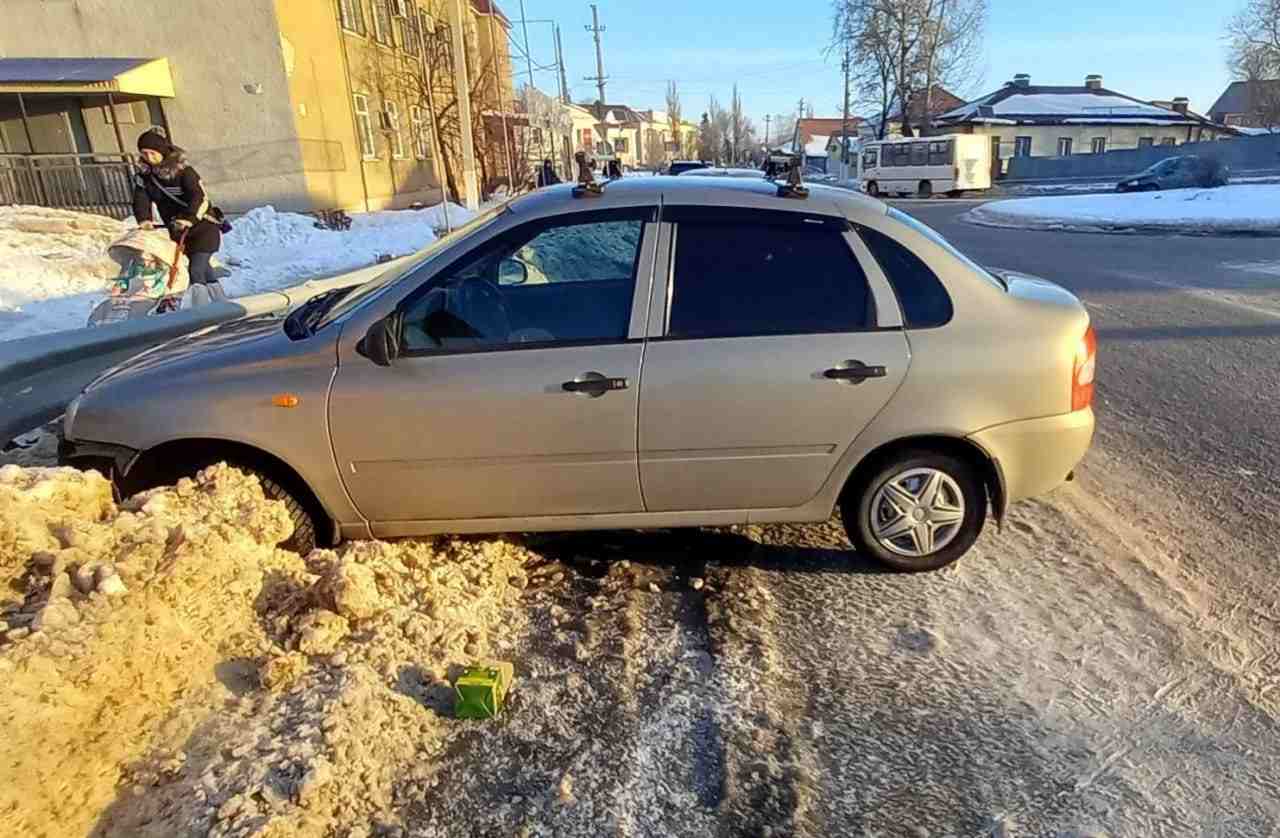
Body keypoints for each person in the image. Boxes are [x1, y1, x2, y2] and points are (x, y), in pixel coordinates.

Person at [132, 128, 226, 304]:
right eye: (144, 153)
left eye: (153, 153)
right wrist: (144, 219)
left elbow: (200, 198)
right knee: (204, 269)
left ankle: (202, 311)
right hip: (178, 231)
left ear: (162, 152)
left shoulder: (184, 172)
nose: (149, 158)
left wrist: (189, 219)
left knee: (196, 270)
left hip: (203, 227)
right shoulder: (145, 177)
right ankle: (222, 304)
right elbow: (140, 199)